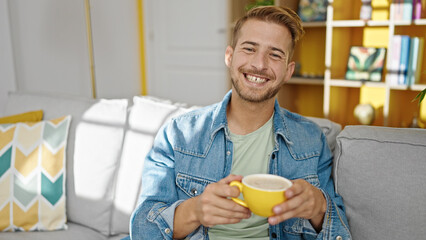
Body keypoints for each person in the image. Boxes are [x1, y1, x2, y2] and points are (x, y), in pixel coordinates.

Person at [126, 5, 351, 240]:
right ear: (229, 57)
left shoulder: (312, 140)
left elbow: (342, 235)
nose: (259, 64)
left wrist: (319, 208)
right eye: (249, 48)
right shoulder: (178, 134)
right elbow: (142, 229)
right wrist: (194, 211)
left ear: (288, 71)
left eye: (275, 54)